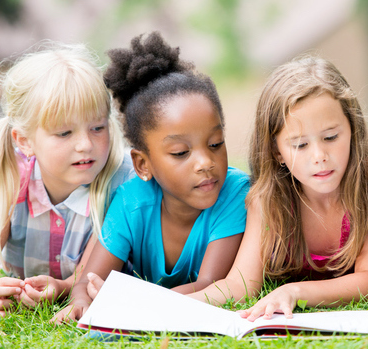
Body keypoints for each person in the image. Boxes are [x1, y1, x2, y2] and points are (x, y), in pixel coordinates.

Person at [53, 32, 249, 323]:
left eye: (215, 144)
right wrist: (80, 300)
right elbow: (87, 280)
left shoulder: (234, 193)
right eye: (181, 152)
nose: (206, 162)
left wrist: (135, 302)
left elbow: (211, 285)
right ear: (143, 164)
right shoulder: (131, 202)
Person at [187, 56, 368, 321]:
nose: (319, 155)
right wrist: (165, 305)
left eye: (331, 137)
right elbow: (239, 285)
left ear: (352, 128)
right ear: (276, 151)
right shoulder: (268, 199)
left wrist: (295, 292)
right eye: (300, 145)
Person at [0, 42, 133, 317]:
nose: (85, 144)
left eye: (97, 127)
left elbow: (87, 282)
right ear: (24, 141)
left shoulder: (119, 184)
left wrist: (61, 287)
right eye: (64, 133)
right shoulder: (8, 184)